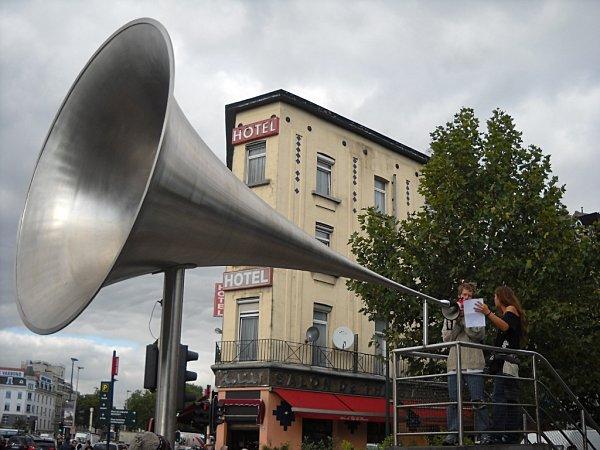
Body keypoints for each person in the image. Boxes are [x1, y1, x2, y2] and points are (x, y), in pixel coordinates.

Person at [475, 285, 527, 445]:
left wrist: (487, 313)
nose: (494, 299)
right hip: (507, 363)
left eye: (495, 296)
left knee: (499, 398)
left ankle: (497, 434)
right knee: (509, 400)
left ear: (501, 297)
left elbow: (505, 326)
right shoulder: (510, 312)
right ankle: (511, 434)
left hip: (506, 363)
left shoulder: (511, 309)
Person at [441, 281, 490, 445]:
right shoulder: (451, 312)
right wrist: (456, 320)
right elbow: (447, 339)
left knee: (478, 400)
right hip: (454, 363)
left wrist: (464, 320)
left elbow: (478, 335)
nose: (466, 297)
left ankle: (483, 434)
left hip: (474, 362)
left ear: (472, 297)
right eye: (464, 295)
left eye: (469, 295)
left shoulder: (477, 312)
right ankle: (453, 434)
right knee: (454, 401)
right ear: (459, 296)